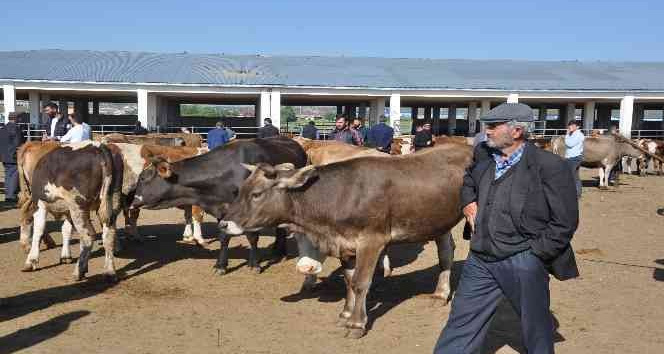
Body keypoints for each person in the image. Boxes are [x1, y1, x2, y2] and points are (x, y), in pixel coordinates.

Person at [434, 102, 579, 354]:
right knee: (461, 324)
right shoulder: (483, 154)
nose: (486, 131)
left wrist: (535, 254)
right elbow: (468, 180)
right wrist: (468, 202)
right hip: (480, 258)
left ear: (516, 131)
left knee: (536, 329)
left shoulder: (550, 166)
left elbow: (565, 221)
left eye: (492, 126)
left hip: (523, 258)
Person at [0, 112, 25, 204]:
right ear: (16, 118)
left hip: (4, 156)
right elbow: (18, 143)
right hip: (13, 157)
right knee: (14, 176)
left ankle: (9, 195)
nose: (21, 120)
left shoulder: (3, 128)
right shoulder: (16, 129)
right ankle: (11, 196)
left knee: (8, 176)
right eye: (20, 118)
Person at [565, 120, 585, 198]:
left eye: (573, 126)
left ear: (577, 127)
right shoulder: (574, 134)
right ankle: (577, 194)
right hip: (574, 157)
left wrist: (567, 135)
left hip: (573, 158)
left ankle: (571, 194)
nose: (570, 127)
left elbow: (569, 144)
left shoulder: (577, 134)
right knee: (575, 177)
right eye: (570, 125)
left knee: (570, 176)